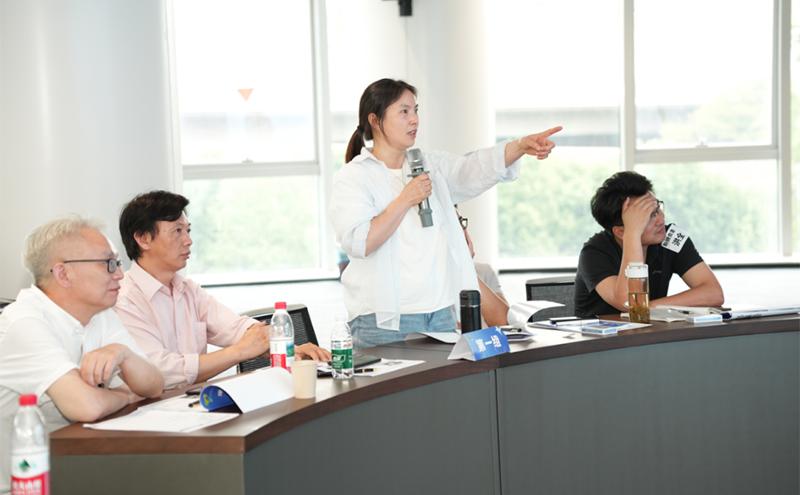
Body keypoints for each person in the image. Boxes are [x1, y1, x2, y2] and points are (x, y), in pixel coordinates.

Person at [330, 78, 560, 346]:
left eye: (415, 110)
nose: (414, 119)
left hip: (438, 313)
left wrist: (518, 147)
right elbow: (361, 242)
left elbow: (472, 169)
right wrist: (405, 200)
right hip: (382, 319)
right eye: (404, 111)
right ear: (375, 120)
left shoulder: (428, 164)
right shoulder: (355, 176)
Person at [0, 217, 164, 494]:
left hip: (71, 471)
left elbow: (154, 384)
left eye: (117, 263)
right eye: (108, 263)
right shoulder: (23, 322)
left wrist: (123, 353)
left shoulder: (100, 314)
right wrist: (126, 395)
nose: (120, 274)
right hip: (20, 486)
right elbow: (86, 406)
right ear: (63, 274)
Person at [114, 191, 331, 389]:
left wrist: (291, 347)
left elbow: (236, 328)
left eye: (188, 230)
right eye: (177, 231)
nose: (188, 241)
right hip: (147, 412)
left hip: (191, 403)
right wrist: (238, 352)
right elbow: (159, 371)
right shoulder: (124, 300)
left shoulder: (188, 290)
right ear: (143, 238)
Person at [574, 171, 724, 317]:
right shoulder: (593, 252)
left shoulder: (670, 237)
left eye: (657, 209)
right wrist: (632, 235)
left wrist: (646, 308)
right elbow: (627, 302)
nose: (661, 220)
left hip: (650, 330)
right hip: (603, 333)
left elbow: (714, 293)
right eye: (649, 216)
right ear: (620, 232)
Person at [457, 209, 509, 327]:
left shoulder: (484, 271)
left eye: (461, 223)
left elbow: (504, 323)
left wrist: (466, 267)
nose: (463, 231)